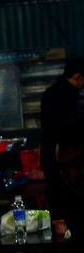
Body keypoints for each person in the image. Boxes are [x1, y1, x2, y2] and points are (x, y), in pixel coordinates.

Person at [41, 58, 84, 229]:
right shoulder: (72, 96)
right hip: (67, 154)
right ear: (78, 77)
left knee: (57, 205)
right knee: (72, 202)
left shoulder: (49, 92)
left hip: (52, 159)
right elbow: (74, 131)